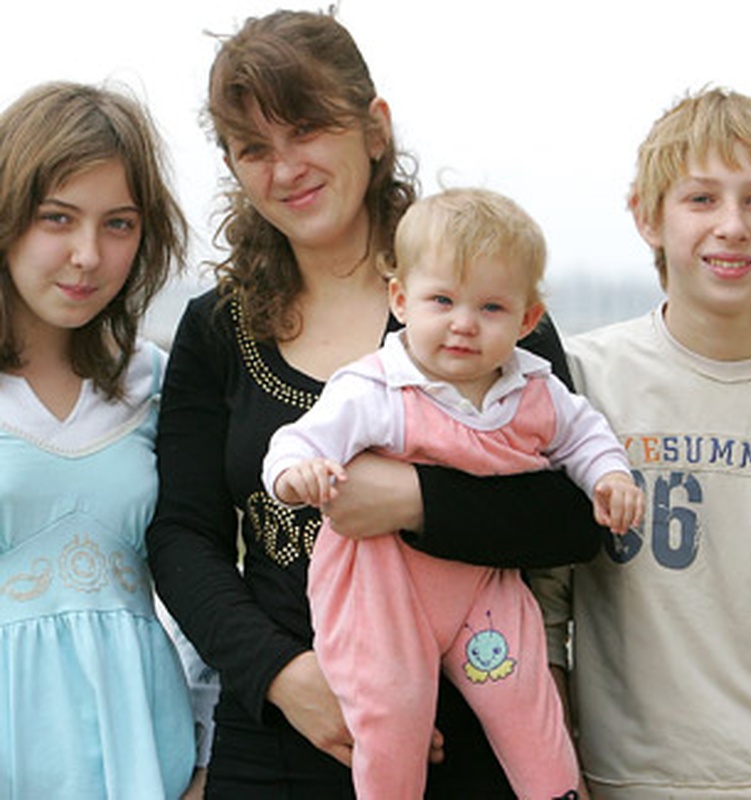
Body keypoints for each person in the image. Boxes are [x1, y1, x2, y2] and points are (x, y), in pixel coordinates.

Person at [146, 10, 606, 799]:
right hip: (278, 742)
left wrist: (414, 499)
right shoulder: (218, 328)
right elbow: (182, 536)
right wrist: (283, 676)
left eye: (307, 129)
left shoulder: (475, 304)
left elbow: (572, 516)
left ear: (374, 129)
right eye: (254, 148)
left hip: (470, 731)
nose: (286, 167)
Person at [262, 187, 644, 799]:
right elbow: (297, 442)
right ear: (401, 300)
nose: (464, 324)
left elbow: (584, 436)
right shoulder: (376, 388)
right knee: (392, 717)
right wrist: (297, 475)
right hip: (384, 591)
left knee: (526, 703)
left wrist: (610, 477)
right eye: (441, 301)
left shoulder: (533, 390)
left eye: (491, 307)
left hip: (483, 589)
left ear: (526, 320)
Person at [529, 87, 751, 799]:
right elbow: (544, 608)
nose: (732, 226)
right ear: (647, 216)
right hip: (623, 779)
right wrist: (555, 768)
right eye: (701, 199)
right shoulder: (581, 381)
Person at [0, 81, 198, 799]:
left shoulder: (158, 381)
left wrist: (205, 755)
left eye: (118, 224)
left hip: (149, 751)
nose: (87, 255)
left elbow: (200, 569)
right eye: (58, 218)